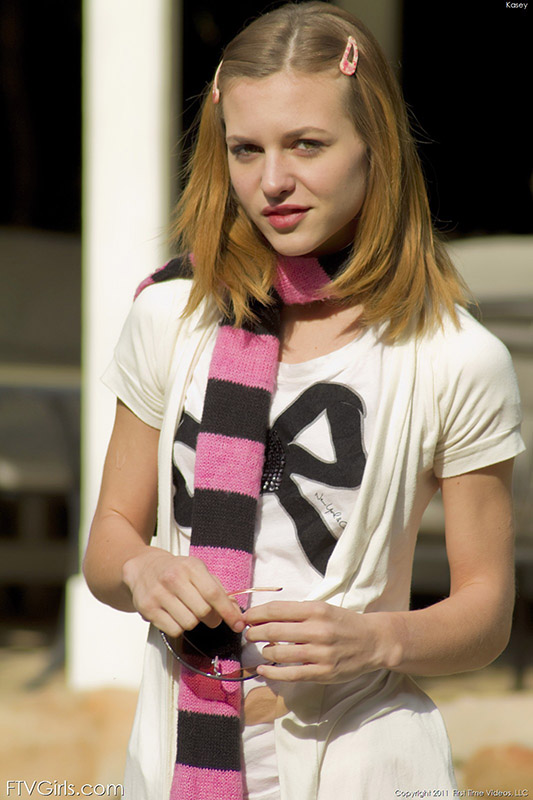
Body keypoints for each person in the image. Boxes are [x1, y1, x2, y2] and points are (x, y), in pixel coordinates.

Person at [83, 3, 525, 799]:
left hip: (362, 762)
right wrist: (143, 568)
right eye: (245, 149)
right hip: (173, 753)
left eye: (307, 145)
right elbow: (108, 543)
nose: (272, 181)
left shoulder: (454, 358)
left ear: (373, 144)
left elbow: (487, 614)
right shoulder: (168, 316)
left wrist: (377, 640)